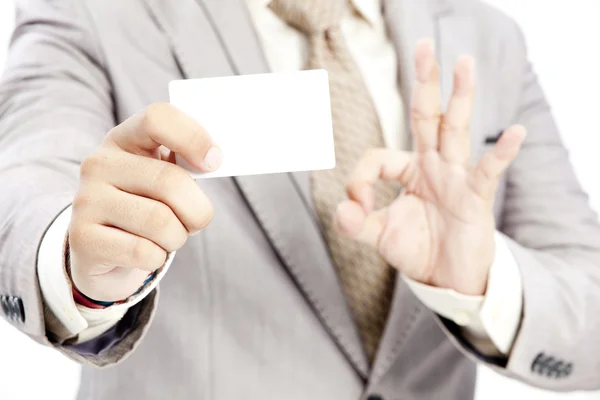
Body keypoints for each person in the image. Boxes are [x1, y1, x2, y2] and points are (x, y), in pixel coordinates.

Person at [1, 0, 599, 398]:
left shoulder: (487, 34)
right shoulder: (92, 11)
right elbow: (21, 193)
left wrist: (483, 278)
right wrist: (80, 263)